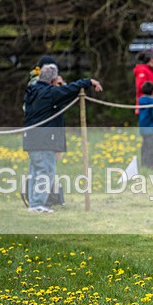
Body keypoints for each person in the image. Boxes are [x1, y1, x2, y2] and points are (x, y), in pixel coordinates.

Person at [23, 63, 102, 213]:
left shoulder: (32, 91)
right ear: (53, 79)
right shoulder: (50, 93)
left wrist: (58, 84)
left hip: (30, 138)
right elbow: (69, 90)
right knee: (45, 172)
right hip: (44, 139)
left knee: (35, 171)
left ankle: (34, 202)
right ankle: (37, 204)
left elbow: (62, 93)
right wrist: (89, 81)